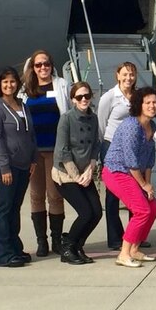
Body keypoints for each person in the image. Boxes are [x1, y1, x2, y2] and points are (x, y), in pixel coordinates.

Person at [0, 67, 37, 268]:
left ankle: (15, 248)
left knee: (14, 208)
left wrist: (33, 159)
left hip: (23, 165)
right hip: (3, 166)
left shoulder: (22, 105)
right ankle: (4, 254)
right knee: (3, 209)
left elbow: (30, 135)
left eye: (13, 81)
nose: (9, 85)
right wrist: (4, 167)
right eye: (5, 82)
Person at [102, 87, 156, 267]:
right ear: (139, 105)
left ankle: (135, 249)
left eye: (155, 102)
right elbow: (130, 160)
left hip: (136, 173)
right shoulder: (131, 126)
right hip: (117, 171)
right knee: (142, 210)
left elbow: (149, 158)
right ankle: (123, 253)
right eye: (148, 103)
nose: (152, 106)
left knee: (152, 209)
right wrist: (143, 185)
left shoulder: (153, 126)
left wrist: (148, 184)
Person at [21, 49, 69, 257]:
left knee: (55, 196)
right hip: (33, 152)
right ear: (33, 68)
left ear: (51, 65)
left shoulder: (61, 85)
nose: (43, 68)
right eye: (38, 65)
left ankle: (56, 239)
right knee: (36, 196)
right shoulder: (24, 90)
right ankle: (42, 241)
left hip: (55, 150)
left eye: (46, 64)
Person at [97, 61, 151, 250]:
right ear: (117, 76)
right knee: (113, 196)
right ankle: (115, 237)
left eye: (132, 74)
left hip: (135, 148)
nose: (129, 78)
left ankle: (135, 235)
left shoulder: (138, 96)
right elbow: (101, 124)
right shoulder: (109, 97)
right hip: (112, 145)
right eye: (125, 74)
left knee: (135, 193)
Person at [52, 82, 103, 265]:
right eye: (79, 97)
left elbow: (95, 145)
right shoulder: (66, 118)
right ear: (73, 99)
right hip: (66, 174)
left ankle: (77, 246)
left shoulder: (94, 118)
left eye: (87, 96)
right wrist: (77, 176)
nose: (84, 100)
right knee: (85, 212)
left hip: (85, 172)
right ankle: (67, 246)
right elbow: (62, 151)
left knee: (97, 212)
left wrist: (90, 169)